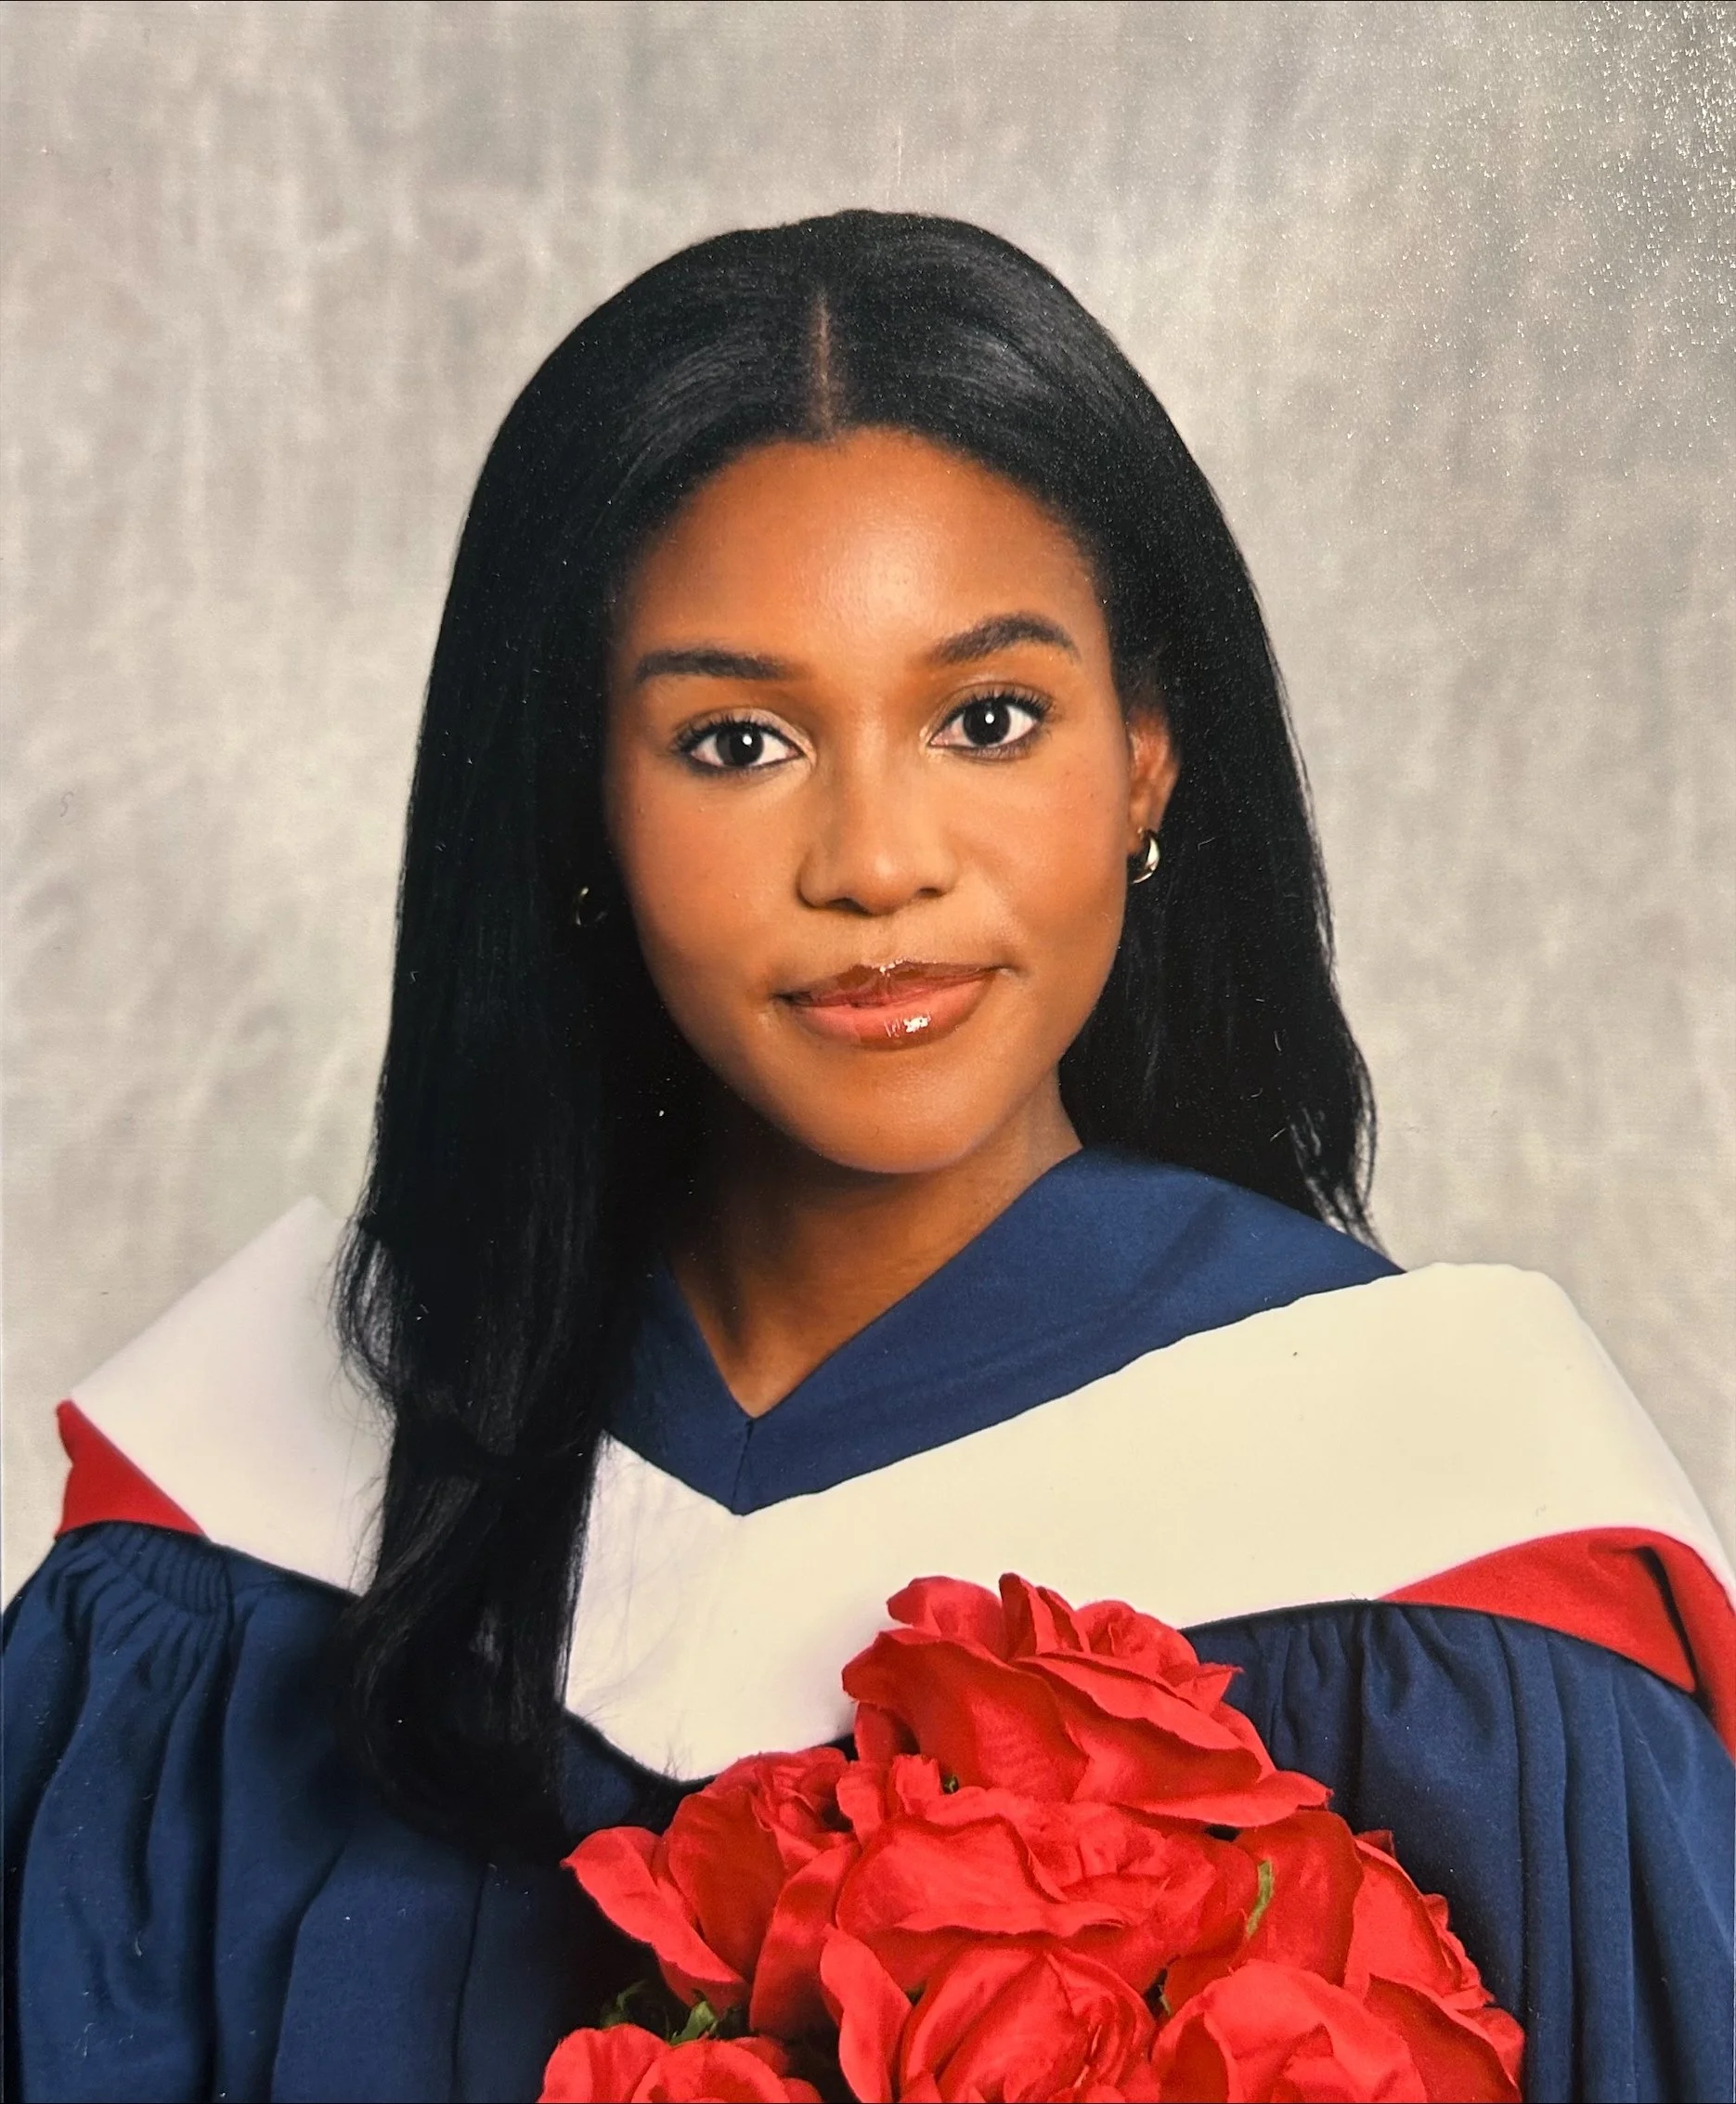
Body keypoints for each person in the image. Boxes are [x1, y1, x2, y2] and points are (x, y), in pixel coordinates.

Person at [4, 212, 1730, 2104]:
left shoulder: (1445, 1529)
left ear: (1145, 754)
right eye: (736, 741)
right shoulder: (242, 1534)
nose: (876, 861)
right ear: (581, 798)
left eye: (988, 718)